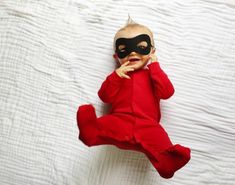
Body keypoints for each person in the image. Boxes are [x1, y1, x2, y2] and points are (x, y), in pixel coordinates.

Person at [77, 18, 191, 179]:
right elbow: (105, 97)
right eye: (124, 49)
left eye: (141, 47)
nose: (132, 52)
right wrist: (115, 77)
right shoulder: (117, 76)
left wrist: (155, 67)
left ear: (152, 51)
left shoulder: (153, 74)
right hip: (120, 120)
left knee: (160, 140)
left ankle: (167, 163)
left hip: (148, 124)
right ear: (116, 56)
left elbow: (167, 92)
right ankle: (91, 132)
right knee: (105, 123)